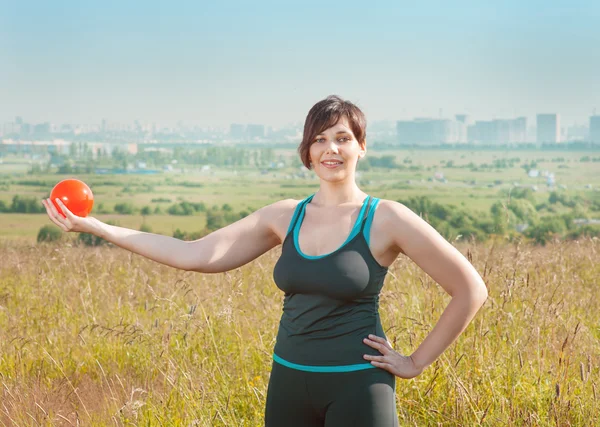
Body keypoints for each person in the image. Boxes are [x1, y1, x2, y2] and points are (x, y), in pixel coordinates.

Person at [42, 95, 488, 426]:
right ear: (307, 152)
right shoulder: (283, 216)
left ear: (361, 147)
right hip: (289, 381)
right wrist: (100, 229)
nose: (331, 148)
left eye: (342, 138)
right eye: (320, 140)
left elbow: (470, 289)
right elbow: (196, 253)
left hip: (358, 386)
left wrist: (415, 362)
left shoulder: (386, 218)